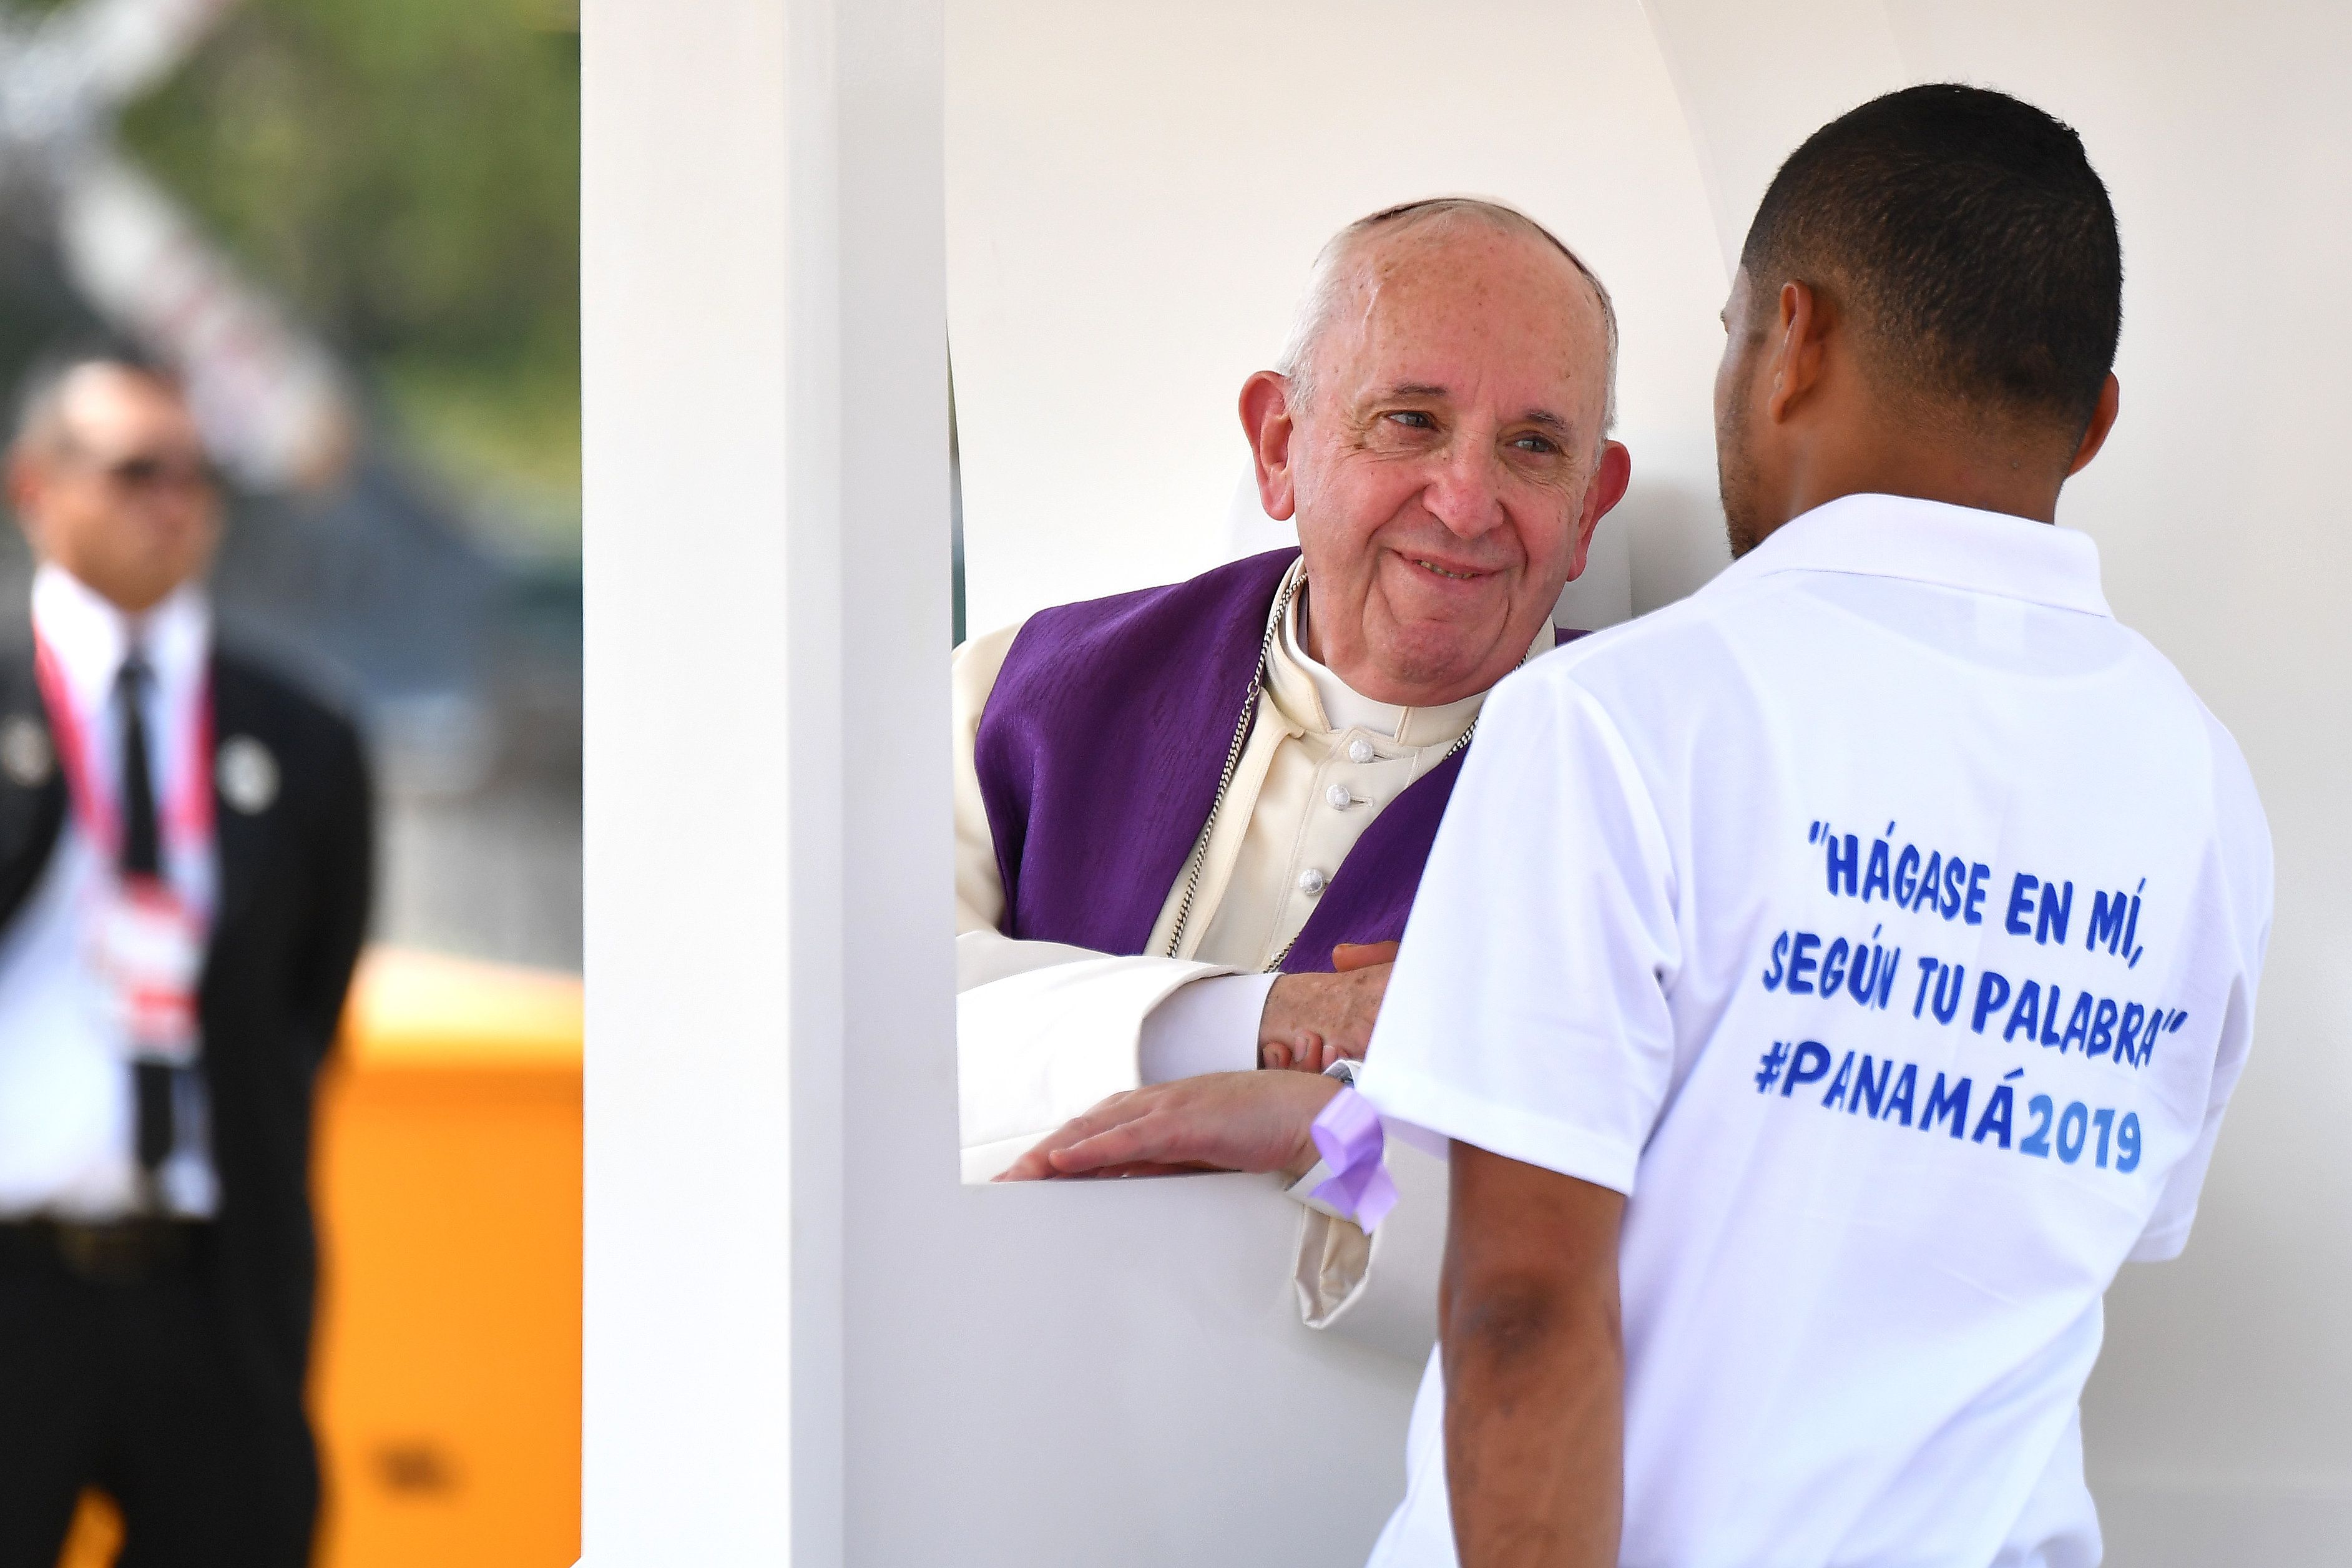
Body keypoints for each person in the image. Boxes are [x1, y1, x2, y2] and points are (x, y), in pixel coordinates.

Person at [1336, 85, 2271, 1566]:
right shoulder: (2205, 786)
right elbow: (2016, 1209)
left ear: (1794, 338)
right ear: (2093, 424)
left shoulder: (1619, 720)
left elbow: (1525, 1304)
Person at [958, 198, 1628, 1347]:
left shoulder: (1646, 800)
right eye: (1409, 422)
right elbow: (844, 1031)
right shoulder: (1016, 691)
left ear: (1588, 511)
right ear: (1279, 446)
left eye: (1532, 446)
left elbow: (1613, 1252)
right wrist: (1268, 1023)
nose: (1466, 504)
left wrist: (1337, 1141)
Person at [0, 350, 373, 1567]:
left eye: (199, 475)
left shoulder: (300, 735)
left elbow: (307, 1003)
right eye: (134, 470)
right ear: (34, 488)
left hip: (210, 1284)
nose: (175, 500)